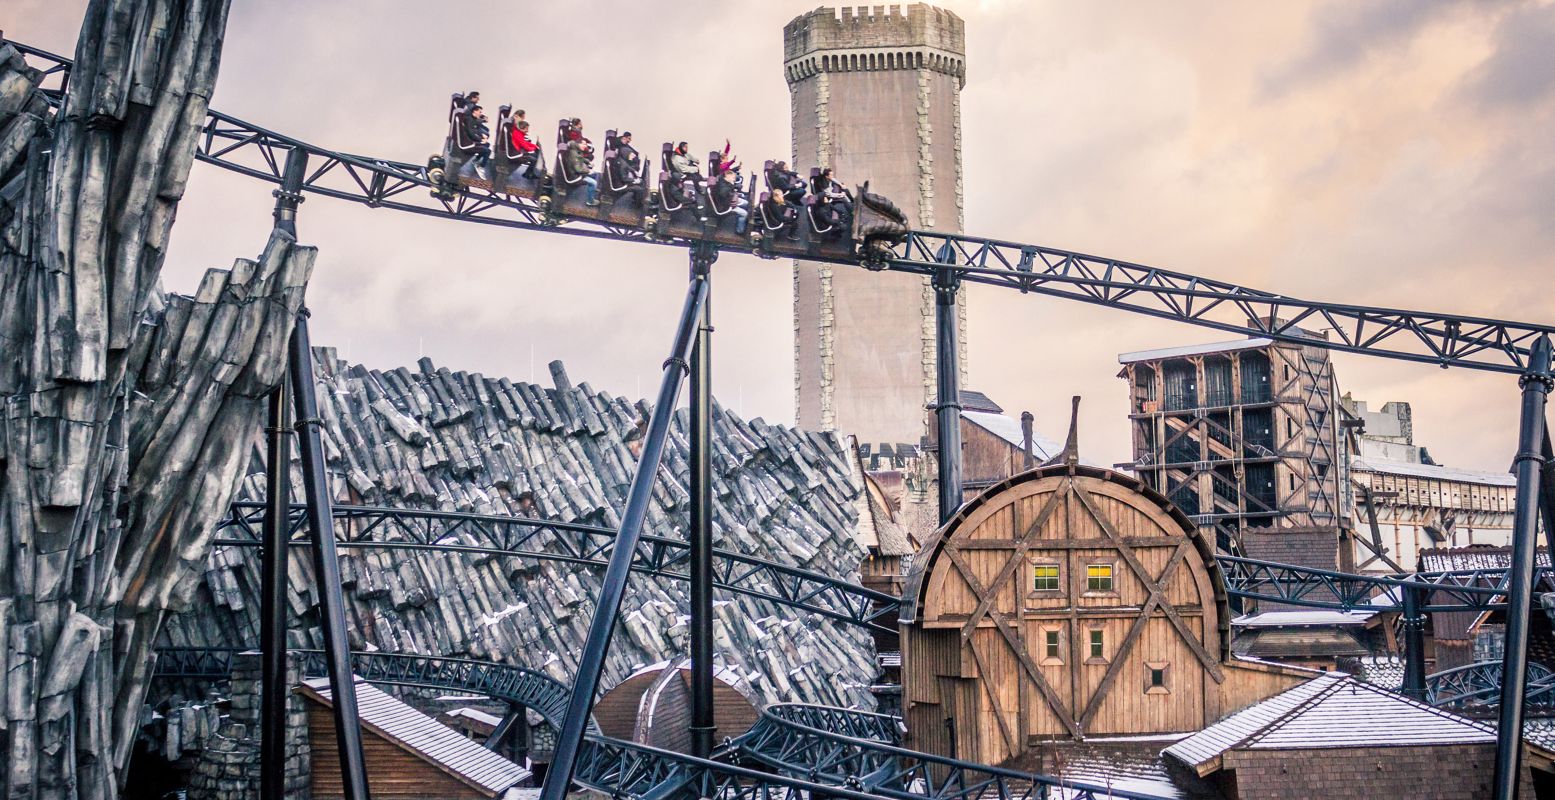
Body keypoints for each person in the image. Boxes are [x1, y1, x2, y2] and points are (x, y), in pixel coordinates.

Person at [565, 133, 599, 205]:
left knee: (595, 175)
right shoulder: (574, 154)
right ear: (578, 144)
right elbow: (578, 170)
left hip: (576, 172)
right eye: (583, 144)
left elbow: (581, 158)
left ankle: (592, 191)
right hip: (575, 177)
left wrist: (587, 162)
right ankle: (590, 201)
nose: (585, 146)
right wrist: (588, 171)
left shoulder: (576, 149)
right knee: (594, 183)